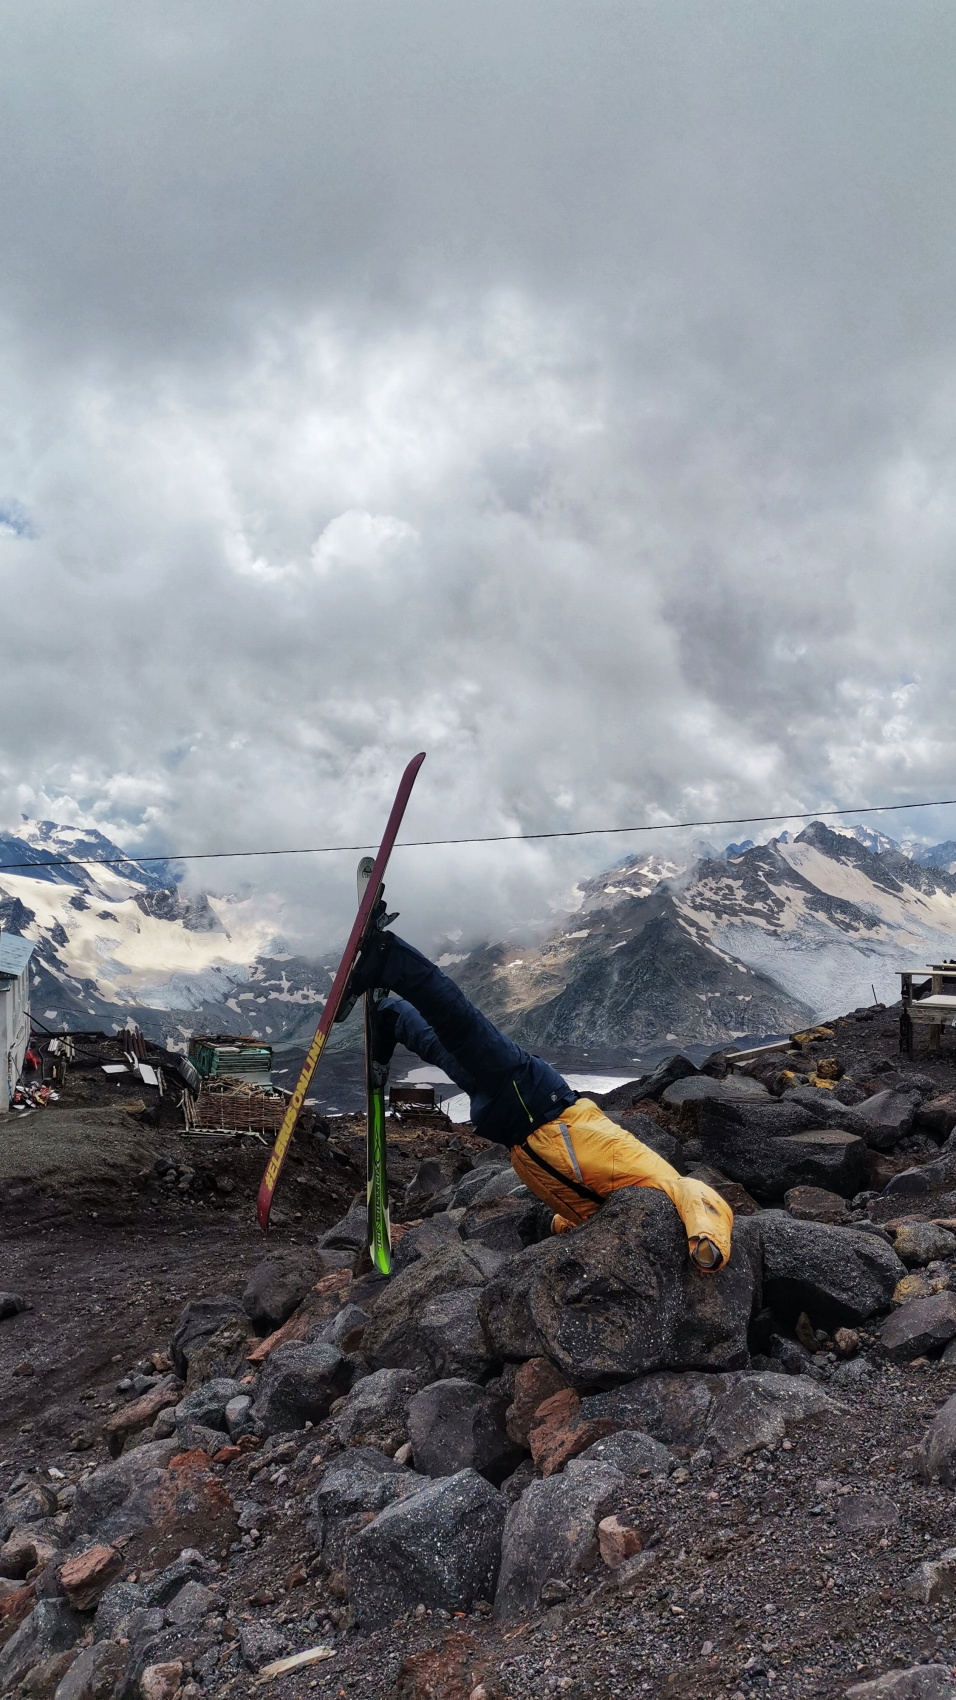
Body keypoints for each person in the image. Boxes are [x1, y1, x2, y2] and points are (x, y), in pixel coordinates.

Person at [338, 915, 733, 1272]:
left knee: (446, 1050)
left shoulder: (625, 1219)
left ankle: (391, 1019)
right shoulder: (669, 1195)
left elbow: (584, 1208)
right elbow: (700, 1194)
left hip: (516, 1125)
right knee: (461, 1026)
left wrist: (555, 1225)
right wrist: (708, 1247)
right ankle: (389, 956)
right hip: (539, 1101)